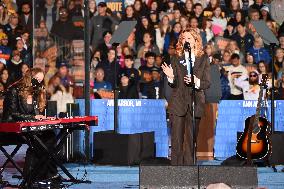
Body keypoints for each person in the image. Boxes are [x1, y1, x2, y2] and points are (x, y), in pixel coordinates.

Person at [161, 28, 210, 165]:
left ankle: (189, 172)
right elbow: (174, 83)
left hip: (196, 103)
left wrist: (196, 82)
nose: (185, 41)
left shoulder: (203, 59)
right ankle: (176, 172)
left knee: (190, 140)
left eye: (188, 38)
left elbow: (207, 83)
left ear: (195, 41)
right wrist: (171, 78)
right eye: (183, 38)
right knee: (176, 140)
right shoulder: (176, 58)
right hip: (178, 103)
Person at [1, 68, 59, 183]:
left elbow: (36, 115)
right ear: (29, 77)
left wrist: (42, 118)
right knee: (37, 140)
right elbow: (13, 114)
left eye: (40, 81)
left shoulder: (35, 93)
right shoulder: (14, 90)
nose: (38, 83)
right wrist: (33, 118)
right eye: (37, 79)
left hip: (28, 129)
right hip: (11, 129)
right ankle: (36, 176)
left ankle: (45, 174)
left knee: (49, 135)